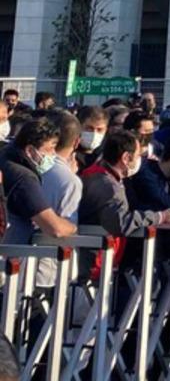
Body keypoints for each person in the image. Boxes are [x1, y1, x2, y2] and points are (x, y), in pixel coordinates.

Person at [0, 118, 77, 243]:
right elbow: (54, 228)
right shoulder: (24, 179)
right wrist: (72, 227)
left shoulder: (5, 157)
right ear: (30, 150)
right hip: (9, 253)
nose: (53, 154)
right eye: (50, 149)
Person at [37, 112, 83, 288]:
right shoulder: (69, 180)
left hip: (21, 261)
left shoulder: (27, 165)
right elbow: (66, 227)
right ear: (76, 142)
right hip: (50, 271)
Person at [75, 106, 108, 171]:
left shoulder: (108, 156)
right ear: (79, 127)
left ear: (106, 130)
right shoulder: (68, 153)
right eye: (89, 128)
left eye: (99, 130)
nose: (94, 133)